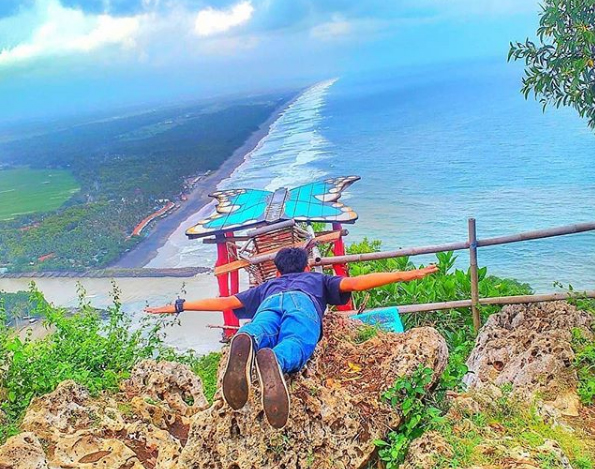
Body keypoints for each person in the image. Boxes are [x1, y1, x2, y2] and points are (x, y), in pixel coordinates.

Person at [145, 247, 438, 429]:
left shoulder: (268, 285)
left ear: (277, 269)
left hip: (269, 303)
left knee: (260, 328)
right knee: (298, 341)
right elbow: (357, 283)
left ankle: (249, 339)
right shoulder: (317, 280)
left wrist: (178, 305)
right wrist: (405, 275)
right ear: (307, 266)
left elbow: (224, 302)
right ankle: (277, 359)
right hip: (304, 303)